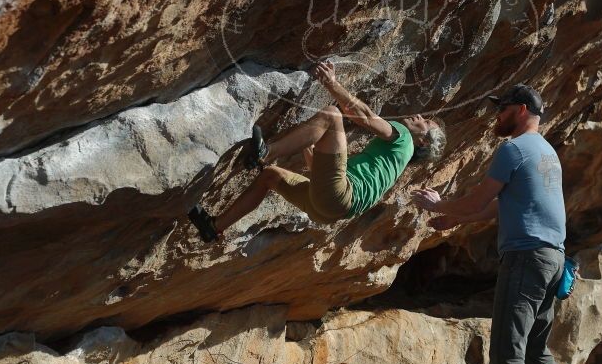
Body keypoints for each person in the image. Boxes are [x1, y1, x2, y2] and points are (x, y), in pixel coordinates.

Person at [412, 84, 566, 364]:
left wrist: (438, 205)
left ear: (521, 110)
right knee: (535, 350)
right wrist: (458, 219)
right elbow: (503, 205)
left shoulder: (514, 149)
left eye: (502, 109)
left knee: (506, 353)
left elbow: (478, 199)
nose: (497, 116)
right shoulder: (547, 153)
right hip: (554, 259)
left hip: (526, 257)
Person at [188, 60, 446, 242]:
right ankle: (214, 228)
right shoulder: (392, 164)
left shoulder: (405, 141)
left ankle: (265, 153)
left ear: (423, 142)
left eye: (426, 122)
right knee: (271, 177)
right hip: (329, 210)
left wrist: (331, 83)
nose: (420, 116)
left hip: (340, 196)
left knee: (333, 115)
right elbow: (323, 178)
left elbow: (365, 116)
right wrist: (308, 145)